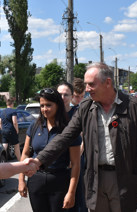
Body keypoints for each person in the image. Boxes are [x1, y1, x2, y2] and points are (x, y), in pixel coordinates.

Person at [33, 62, 137, 212]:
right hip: (95, 180)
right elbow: (65, 137)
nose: (87, 89)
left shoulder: (133, 106)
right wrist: (39, 160)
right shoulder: (86, 107)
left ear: (108, 82)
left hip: (124, 181)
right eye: (86, 84)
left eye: (91, 84)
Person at [18, 88, 81, 211]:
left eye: (48, 105)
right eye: (42, 105)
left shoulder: (69, 130)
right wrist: (21, 180)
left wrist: (71, 192)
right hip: (36, 181)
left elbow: (76, 164)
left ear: (58, 105)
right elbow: (25, 154)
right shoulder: (34, 126)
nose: (44, 109)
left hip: (59, 182)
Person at [57, 82, 87, 212]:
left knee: (78, 195)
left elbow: (84, 136)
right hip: (59, 161)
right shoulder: (54, 113)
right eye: (60, 95)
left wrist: (77, 155)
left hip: (75, 158)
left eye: (66, 95)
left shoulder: (78, 112)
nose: (63, 97)